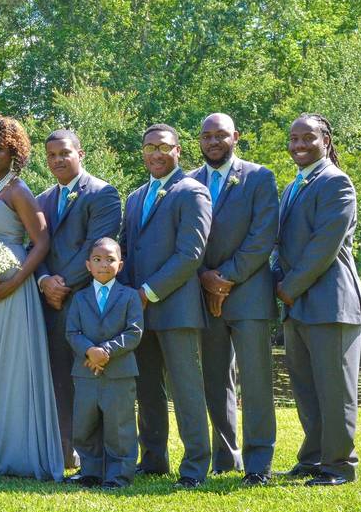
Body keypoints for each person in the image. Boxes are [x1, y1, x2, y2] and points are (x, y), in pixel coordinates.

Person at [0, 116, 63, 481]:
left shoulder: (17, 190)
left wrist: (15, 282)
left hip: (13, 287)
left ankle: (19, 453)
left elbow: (41, 242)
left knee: (13, 368)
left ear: (14, 152)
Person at [274, 113, 361, 486]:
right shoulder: (292, 186)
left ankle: (340, 466)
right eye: (294, 139)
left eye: (308, 138)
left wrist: (286, 288)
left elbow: (323, 248)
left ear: (326, 141)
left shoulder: (336, 183)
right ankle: (313, 459)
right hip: (297, 305)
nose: (299, 145)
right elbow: (282, 244)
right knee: (307, 388)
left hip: (332, 303)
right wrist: (278, 279)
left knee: (335, 391)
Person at [119, 123, 212, 488]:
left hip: (176, 309)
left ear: (178, 150)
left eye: (163, 146)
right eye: (149, 147)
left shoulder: (192, 192)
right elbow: (126, 250)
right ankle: (153, 459)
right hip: (139, 311)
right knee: (147, 389)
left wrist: (148, 292)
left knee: (186, 390)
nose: (156, 153)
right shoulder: (136, 196)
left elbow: (189, 254)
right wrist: (128, 297)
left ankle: (194, 468)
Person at [192, 113, 278, 486]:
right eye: (207, 136)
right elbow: (181, 238)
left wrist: (225, 277)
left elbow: (262, 236)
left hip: (248, 295)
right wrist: (203, 277)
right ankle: (226, 458)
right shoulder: (187, 181)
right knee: (214, 380)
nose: (213, 141)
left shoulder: (259, 177)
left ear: (235, 137)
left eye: (220, 135)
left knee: (256, 381)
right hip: (202, 294)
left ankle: (258, 464)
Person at [35, 129, 122, 468]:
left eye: (64, 153)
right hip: (50, 303)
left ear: (80, 153)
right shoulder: (42, 199)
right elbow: (35, 246)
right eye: (52, 155)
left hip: (87, 303)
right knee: (58, 380)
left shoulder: (102, 193)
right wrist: (44, 280)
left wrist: (62, 283)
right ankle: (64, 452)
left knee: (91, 380)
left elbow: (97, 248)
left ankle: (97, 455)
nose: (58, 160)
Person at [66, 237, 143, 489]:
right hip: (86, 372)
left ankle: (118, 475)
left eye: (110, 259)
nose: (103, 265)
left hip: (119, 372)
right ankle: (90, 471)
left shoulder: (130, 296)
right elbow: (72, 333)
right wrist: (89, 351)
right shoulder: (79, 298)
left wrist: (105, 351)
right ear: (88, 265)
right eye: (97, 260)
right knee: (85, 424)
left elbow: (134, 332)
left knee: (119, 425)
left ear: (120, 265)